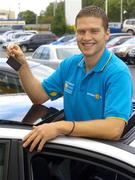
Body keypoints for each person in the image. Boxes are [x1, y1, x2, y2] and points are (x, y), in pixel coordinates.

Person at [7, 5, 133, 152]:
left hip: (103, 160)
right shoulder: (70, 65)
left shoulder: (118, 73)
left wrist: (60, 127)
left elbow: (114, 129)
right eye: (81, 31)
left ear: (106, 34)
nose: (86, 37)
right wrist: (22, 65)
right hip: (73, 152)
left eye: (94, 31)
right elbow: (38, 96)